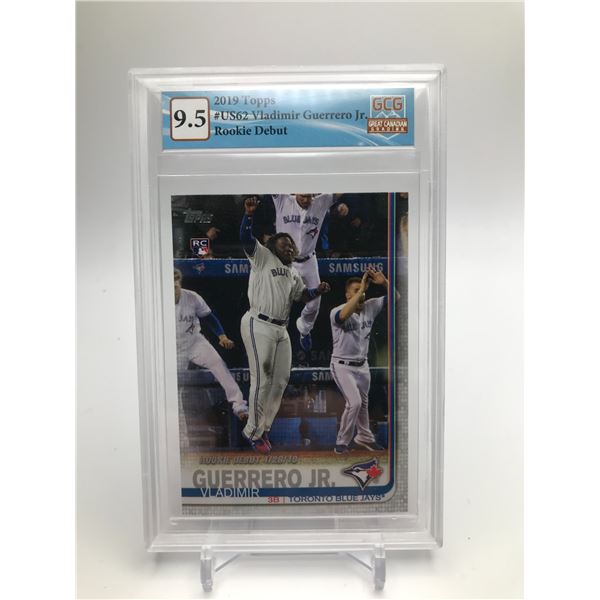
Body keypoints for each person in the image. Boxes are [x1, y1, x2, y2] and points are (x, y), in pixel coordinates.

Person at [239, 197, 331, 453]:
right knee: (261, 379)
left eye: (291, 244)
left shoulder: (293, 273)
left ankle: (264, 428)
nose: (290, 247)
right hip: (258, 323)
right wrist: (248, 216)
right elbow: (245, 238)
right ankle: (252, 432)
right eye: (284, 244)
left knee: (280, 380)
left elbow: (302, 296)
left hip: (281, 329)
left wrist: (317, 291)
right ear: (272, 247)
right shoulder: (263, 257)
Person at [271, 193, 348, 351]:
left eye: (309, 196)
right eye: (303, 196)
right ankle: (275, 337)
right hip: (285, 262)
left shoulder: (321, 201)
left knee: (314, 304)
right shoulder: (282, 200)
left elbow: (340, 189)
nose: (306, 200)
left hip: (308, 261)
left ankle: (304, 330)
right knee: (279, 302)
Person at [329, 268, 389, 454]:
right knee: (354, 403)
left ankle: (365, 437)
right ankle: (342, 442)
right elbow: (342, 317)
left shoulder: (370, 306)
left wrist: (384, 283)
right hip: (342, 365)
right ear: (348, 295)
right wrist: (363, 287)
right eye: (356, 290)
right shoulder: (337, 311)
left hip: (363, 365)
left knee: (363, 404)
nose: (362, 293)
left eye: (363, 290)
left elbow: (396, 298)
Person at [174, 269, 248, 419]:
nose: (172, 289)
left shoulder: (192, 297)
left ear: (180, 283)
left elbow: (209, 318)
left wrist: (222, 336)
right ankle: (177, 425)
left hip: (194, 342)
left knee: (218, 363)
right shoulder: (157, 301)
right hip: (172, 348)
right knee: (174, 388)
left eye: (175, 285)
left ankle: (239, 405)